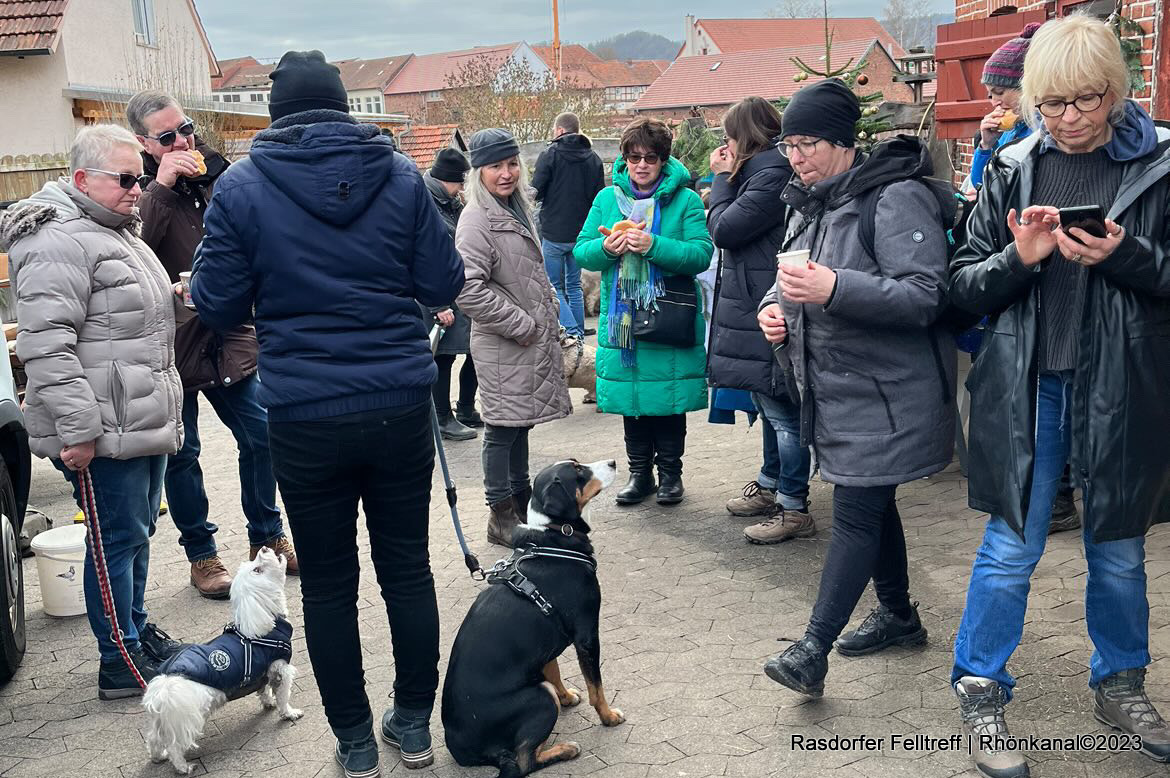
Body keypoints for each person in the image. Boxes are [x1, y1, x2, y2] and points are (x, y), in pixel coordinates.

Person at [190, 51, 463, 777]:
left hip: (305, 411)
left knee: (333, 585)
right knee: (407, 570)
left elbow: (216, 303)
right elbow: (442, 279)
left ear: (275, 115)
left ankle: (354, 743)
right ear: (345, 106)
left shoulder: (242, 185)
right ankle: (412, 724)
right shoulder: (403, 174)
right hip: (400, 398)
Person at [948, 16, 1170, 777]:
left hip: (1123, 384)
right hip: (1028, 387)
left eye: (1086, 99)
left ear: (1118, 90)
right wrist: (1020, 256)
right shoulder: (1010, 165)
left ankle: (1120, 682)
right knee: (1011, 546)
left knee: (1118, 549)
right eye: (1052, 103)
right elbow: (961, 284)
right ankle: (981, 692)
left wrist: (1127, 255)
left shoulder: (1162, 164)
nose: (1070, 117)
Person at [755, 79, 956, 697]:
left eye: (808, 142)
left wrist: (836, 289)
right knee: (870, 502)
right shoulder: (810, 202)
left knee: (855, 514)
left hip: (888, 396)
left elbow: (926, 295)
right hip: (834, 390)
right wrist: (773, 310)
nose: (797, 157)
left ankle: (812, 649)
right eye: (789, 145)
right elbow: (792, 279)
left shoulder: (894, 199)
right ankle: (898, 616)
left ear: (843, 141)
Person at [0, 125, 185, 699]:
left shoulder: (114, 231)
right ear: (83, 180)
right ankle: (120, 662)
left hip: (137, 421)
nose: (139, 189)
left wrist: (179, 298)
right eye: (127, 179)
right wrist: (78, 433)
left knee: (134, 533)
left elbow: (130, 322)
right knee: (113, 543)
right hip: (104, 430)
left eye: (142, 177)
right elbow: (46, 346)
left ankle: (134, 632)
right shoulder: (59, 240)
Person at [128, 90, 296, 600]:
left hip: (227, 335)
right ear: (145, 144)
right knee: (183, 453)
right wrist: (158, 186)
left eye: (186, 128)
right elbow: (135, 248)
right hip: (171, 344)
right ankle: (201, 555)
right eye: (168, 136)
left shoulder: (217, 176)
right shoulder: (135, 189)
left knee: (262, 434)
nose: (183, 141)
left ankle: (265, 538)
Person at [962, 23, 1083, 536]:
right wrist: (986, 145)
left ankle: (1059, 492)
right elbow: (978, 198)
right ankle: (1051, 494)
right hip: (1018, 288)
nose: (994, 99)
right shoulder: (1010, 147)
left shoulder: (1060, 142)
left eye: (1001, 90)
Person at [575, 117, 712, 505]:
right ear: (624, 159)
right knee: (631, 401)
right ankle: (639, 475)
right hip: (622, 320)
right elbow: (582, 249)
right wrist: (607, 249)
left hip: (668, 313)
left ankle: (671, 475)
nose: (641, 164)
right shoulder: (605, 200)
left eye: (650, 157)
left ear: (663, 159)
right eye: (634, 157)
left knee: (668, 400)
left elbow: (701, 254)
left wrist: (652, 244)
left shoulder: (685, 200)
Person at [455, 128, 572, 547]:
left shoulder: (516, 208)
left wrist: (550, 303)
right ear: (478, 171)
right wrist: (522, 323)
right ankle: (500, 516)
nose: (505, 173)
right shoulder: (477, 219)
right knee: (502, 429)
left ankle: (521, 506)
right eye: (494, 166)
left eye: (510, 163)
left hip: (525, 343)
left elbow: (526, 273)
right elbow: (467, 287)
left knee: (520, 426)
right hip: (505, 343)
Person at [706, 96, 813, 543]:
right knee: (769, 405)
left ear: (743, 136)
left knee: (784, 413)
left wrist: (719, 179)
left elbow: (724, 229)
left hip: (765, 305)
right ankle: (771, 484)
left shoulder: (769, 176)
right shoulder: (765, 172)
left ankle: (793, 506)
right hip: (756, 302)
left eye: (730, 136)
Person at [421, 147, 482, 441]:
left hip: (459, 290)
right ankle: (443, 418)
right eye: (460, 183)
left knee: (475, 349)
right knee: (443, 357)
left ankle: (467, 408)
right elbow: (425, 256)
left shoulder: (449, 202)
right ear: (448, 180)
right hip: (439, 296)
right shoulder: (426, 203)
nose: (462, 189)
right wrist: (438, 304)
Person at [532, 112, 605, 338]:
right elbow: (598, 198)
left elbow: (536, 191)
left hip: (554, 232)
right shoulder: (594, 158)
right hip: (580, 234)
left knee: (553, 285)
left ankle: (572, 331)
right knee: (574, 286)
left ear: (560, 131)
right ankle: (579, 331)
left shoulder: (549, 155)